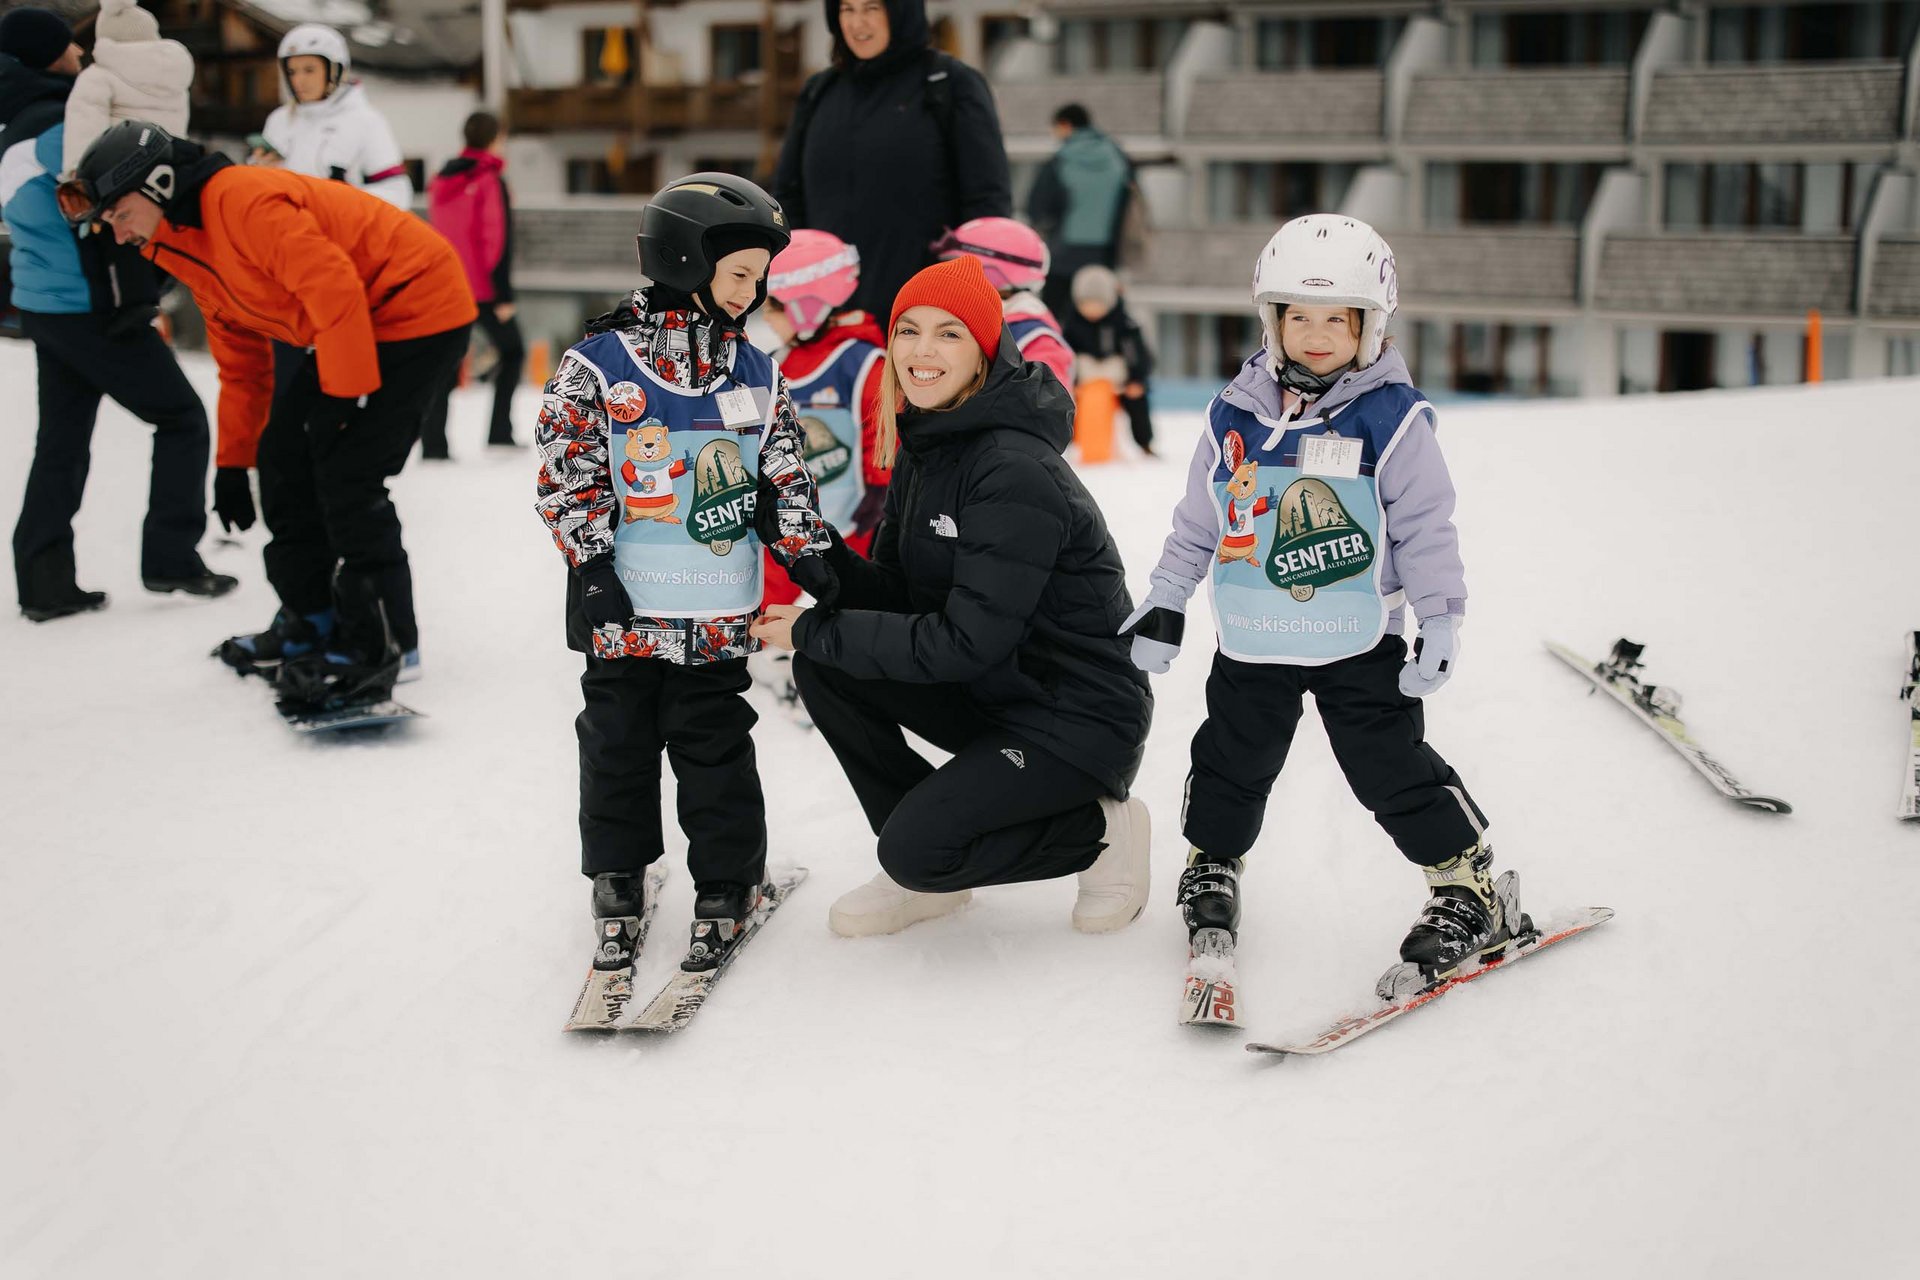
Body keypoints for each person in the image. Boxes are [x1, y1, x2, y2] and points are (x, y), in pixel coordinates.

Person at [1121, 214, 1519, 987]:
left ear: (1369, 327)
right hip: (1253, 637)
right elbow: (1202, 514)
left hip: (1358, 642)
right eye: (1297, 316)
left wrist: (1440, 617)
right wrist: (1168, 595)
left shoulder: (1390, 420)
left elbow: (1426, 526)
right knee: (1232, 762)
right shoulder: (1234, 412)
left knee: (1389, 767)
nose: (1314, 333)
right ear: (1272, 320)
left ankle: (1466, 884)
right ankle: (1213, 863)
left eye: (1336, 318)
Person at [751, 255, 1154, 939]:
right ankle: (930, 867)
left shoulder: (1012, 470)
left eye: (948, 333)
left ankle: (1101, 832)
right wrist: (803, 542)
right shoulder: (929, 443)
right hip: (997, 692)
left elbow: (966, 640)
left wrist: (814, 629)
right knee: (829, 668)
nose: (922, 351)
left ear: (984, 353)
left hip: (1074, 721)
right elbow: (904, 600)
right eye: (908, 331)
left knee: (912, 840)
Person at [63, 120, 476, 709]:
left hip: (418, 307)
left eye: (119, 213)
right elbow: (242, 363)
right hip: (353, 321)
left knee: (349, 474)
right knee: (282, 458)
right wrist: (234, 462)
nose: (116, 231)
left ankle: (386, 643)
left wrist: (342, 398)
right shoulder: (180, 241)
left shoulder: (241, 200)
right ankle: (312, 620)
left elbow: (332, 286)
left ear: (156, 184)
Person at [532, 172, 837, 968]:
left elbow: (783, 479)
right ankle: (618, 879)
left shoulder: (758, 375)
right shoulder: (597, 367)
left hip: (715, 613)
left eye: (761, 278)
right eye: (739, 273)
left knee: (715, 745)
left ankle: (726, 886)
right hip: (622, 610)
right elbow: (567, 474)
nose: (753, 292)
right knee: (616, 742)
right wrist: (592, 568)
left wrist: (807, 552)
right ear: (683, 261)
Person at [2, 9, 231, 622]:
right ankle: (171, 559)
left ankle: (45, 579)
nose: (82, 55)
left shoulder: (15, 122)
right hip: (92, 304)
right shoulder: (59, 122)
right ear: (50, 57)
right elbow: (99, 210)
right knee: (182, 418)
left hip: (44, 301)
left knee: (62, 443)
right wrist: (135, 295)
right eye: (70, 49)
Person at [772, 0, 1010, 319]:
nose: (858, 23)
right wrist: (799, 285)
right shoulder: (820, 91)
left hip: (922, 316)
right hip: (829, 320)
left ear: (901, 12)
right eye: (847, 10)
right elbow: (788, 196)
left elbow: (986, 202)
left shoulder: (949, 84)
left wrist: (961, 296)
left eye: (872, 9)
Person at [760, 228, 888, 602]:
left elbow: (881, 433)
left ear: (806, 305)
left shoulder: (863, 363)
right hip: (789, 517)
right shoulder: (779, 363)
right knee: (763, 599)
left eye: (774, 305)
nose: (766, 316)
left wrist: (881, 490)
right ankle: (754, 653)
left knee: (854, 603)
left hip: (855, 519)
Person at [60, 0, 192, 336]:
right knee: (153, 241)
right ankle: (153, 296)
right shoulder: (174, 78)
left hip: (114, 179)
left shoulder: (99, 76)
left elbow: (84, 127)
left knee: (116, 241)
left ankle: (127, 309)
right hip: (163, 178)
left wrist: (76, 183)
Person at [423, 109, 525, 456]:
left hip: (446, 285)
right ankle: (499, 431)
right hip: (482, 289)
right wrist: (503, 294)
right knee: (513, 353)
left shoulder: (442, 180)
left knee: (444, 363)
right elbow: (494, 239)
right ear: (495, 138)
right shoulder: (488, 179)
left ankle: (433, 444)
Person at [257, 24, 411, 210]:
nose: (299, 80)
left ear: (334, 69)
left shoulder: (366, 121)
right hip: (287, 233)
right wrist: (260, 172)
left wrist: (338, 198)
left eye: (309, 70)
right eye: (292, 71)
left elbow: (397, 195)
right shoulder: (279, 120)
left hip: (341, 235)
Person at [932, 215, 1073, 394]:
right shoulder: (974, 322)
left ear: (992, 275)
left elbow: (1046, 403)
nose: (949, 281)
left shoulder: (1033, 337)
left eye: (958, 270)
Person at [1028, 104, 1134, 323]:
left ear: (1065, 125)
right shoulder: (1117, 158)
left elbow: (1037, 208)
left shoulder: (1060, 161)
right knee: (1096, 320)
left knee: (1054, 321)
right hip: (1104, 255)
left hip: (1062, 255)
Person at [1063, 264, 1155, 456]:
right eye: (1085, 305)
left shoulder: (1124, 324)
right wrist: (1072, 381)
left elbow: (1136, 354)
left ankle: (1144, 442)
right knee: (1065, 400)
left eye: (1098, 305)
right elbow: (1065, 354)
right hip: (1085, 376)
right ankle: (1068, 441)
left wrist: (1136, 380)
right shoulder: (1072, 325)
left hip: (1118, 377)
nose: (1092, 311)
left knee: (1137, 400)